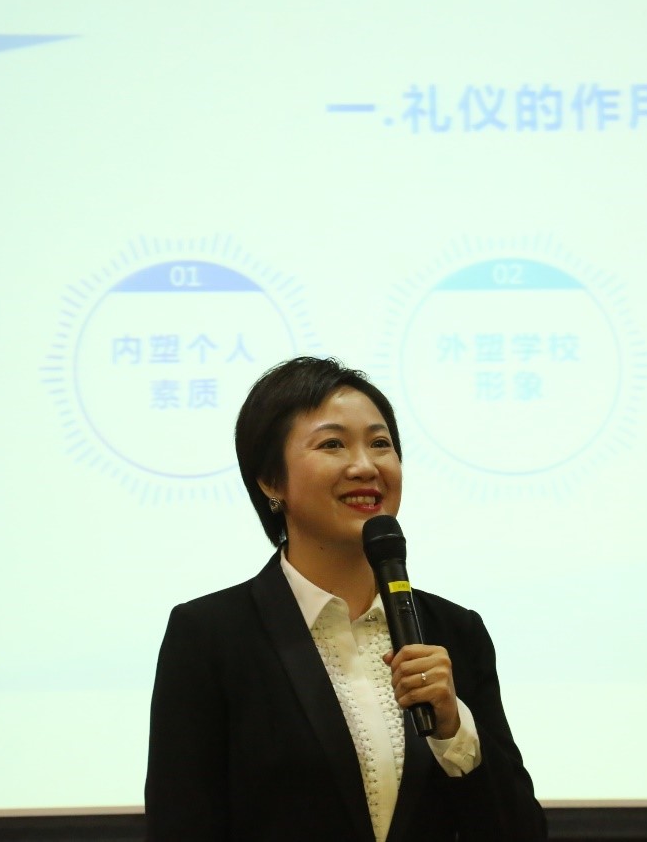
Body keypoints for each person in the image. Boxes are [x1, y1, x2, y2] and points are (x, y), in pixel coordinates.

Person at [145, 356, 547, 841]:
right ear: (271, 479)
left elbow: (519, 830)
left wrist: (453, 729)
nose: (365, 466)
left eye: (380, 444)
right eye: (332, 444)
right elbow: (182, 823)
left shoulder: (454, 630)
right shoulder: (211, 636)